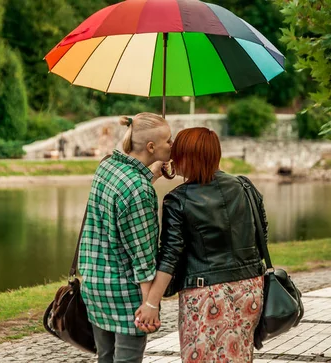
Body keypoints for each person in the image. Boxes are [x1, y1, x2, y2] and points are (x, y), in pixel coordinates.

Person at [135, 127, 266, 363]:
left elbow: (170, 255)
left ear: (189, 157)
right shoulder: (245, 186)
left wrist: (151, 302)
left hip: (206, 295)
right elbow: (261, 233)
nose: (172, 159)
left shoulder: (178, 199)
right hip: (250, 289)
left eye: (178, 154)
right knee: (238, 356)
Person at [79, 112, 173, 363]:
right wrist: (148, 306)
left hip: (96, 286)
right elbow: (143, 257)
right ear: (151, 147)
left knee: (106, 358)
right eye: (169, 141)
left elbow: (121, 200)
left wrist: (153, 175)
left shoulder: (108, 164)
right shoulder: (139, 190)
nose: (172, 146)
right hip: (125, 293)